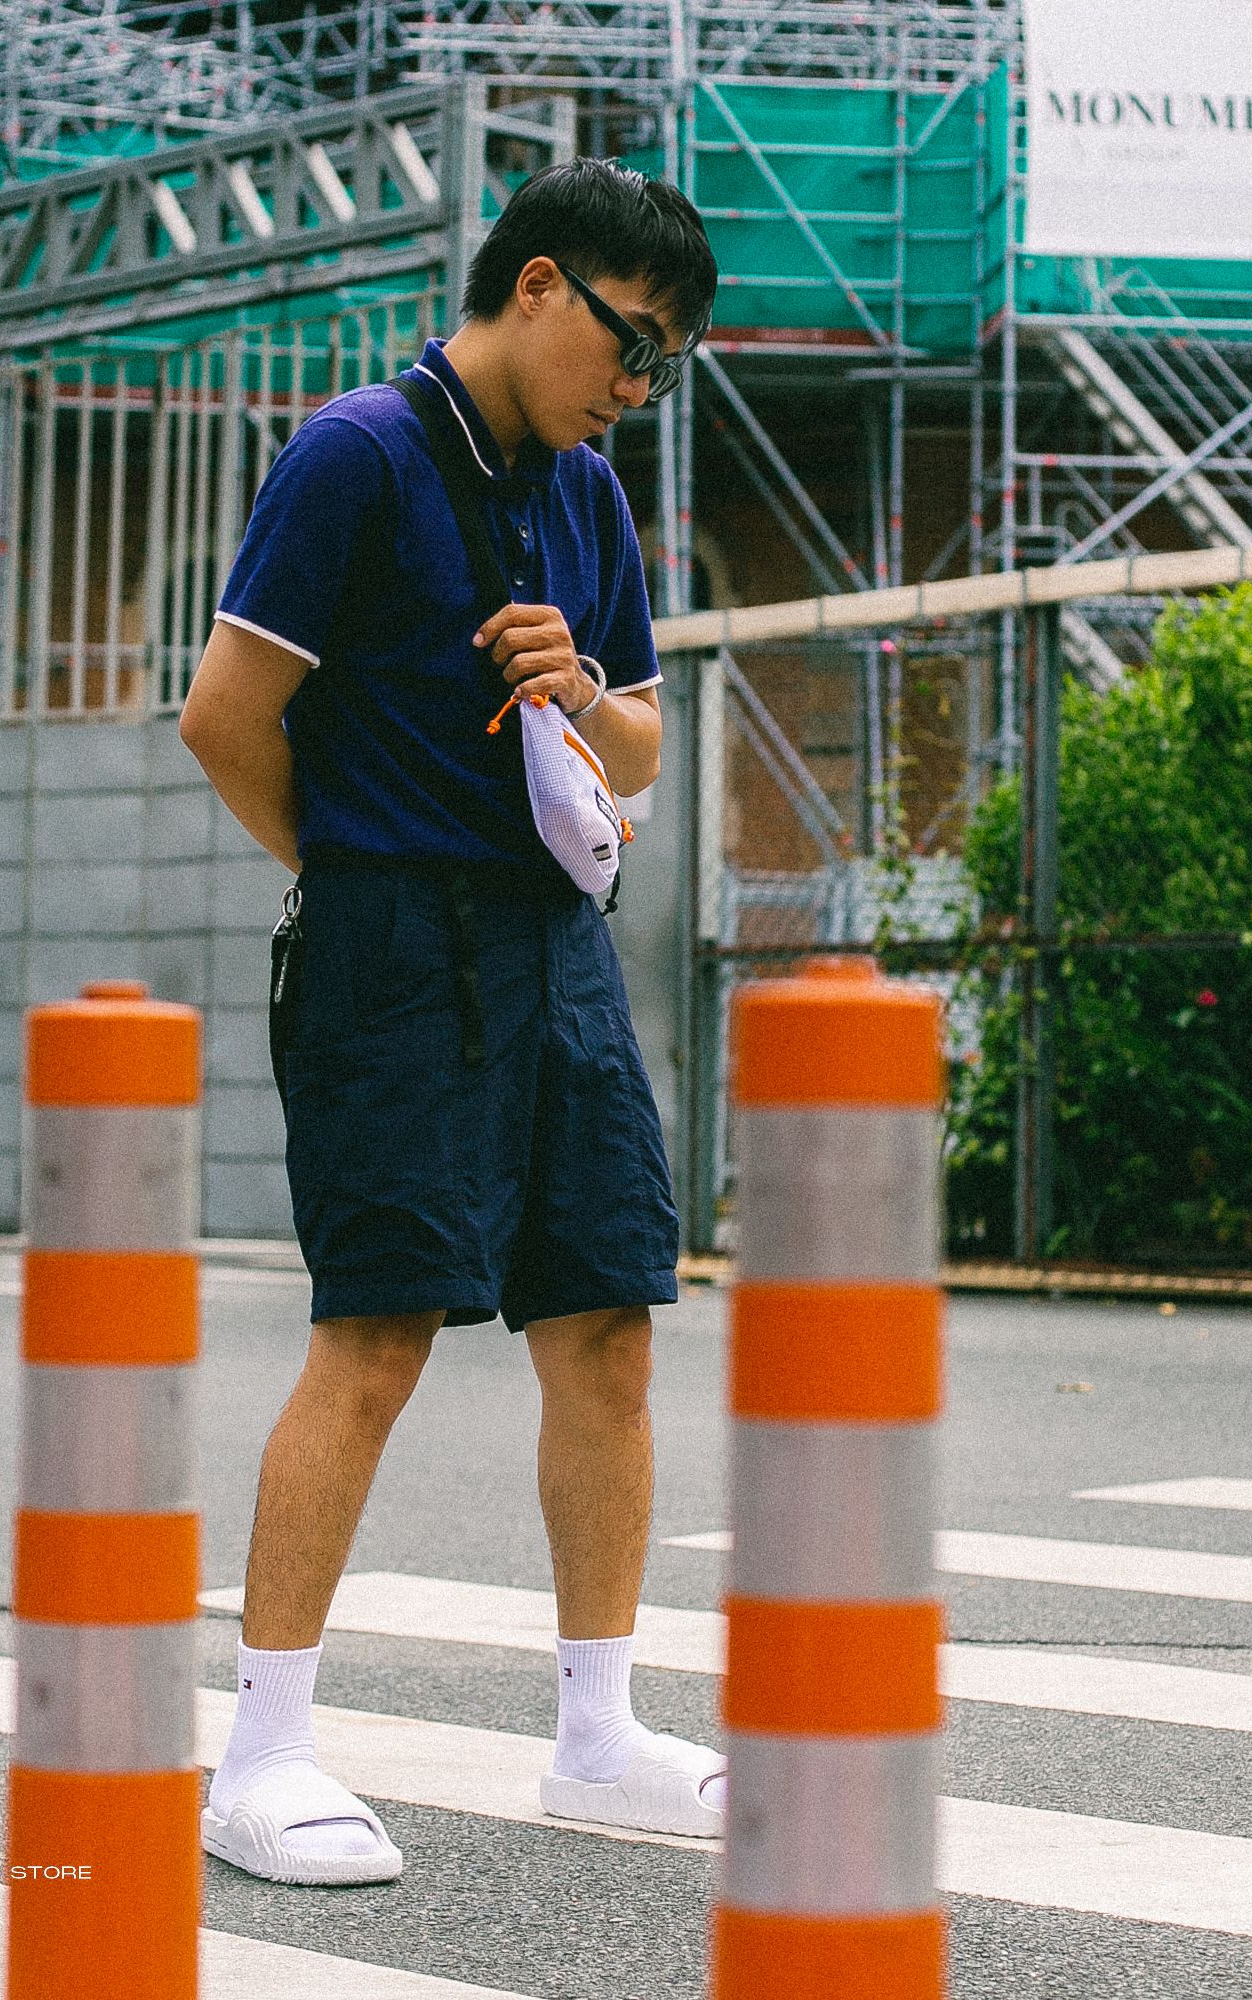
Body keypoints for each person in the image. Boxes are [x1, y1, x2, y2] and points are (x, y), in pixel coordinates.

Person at [177, 158, 721, 1888]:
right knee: (378, 1332)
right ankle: (260, 1756)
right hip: (394, 942)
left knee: (608, 1324)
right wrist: (356, 870)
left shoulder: (589, 495)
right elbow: (224, 714)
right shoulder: (358, 454)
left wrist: (581, 690)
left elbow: (640, 738)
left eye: (665, 371)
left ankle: (597, 1730)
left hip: (555, 942)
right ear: (542, 286)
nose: (635, 390)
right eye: (634, 348)